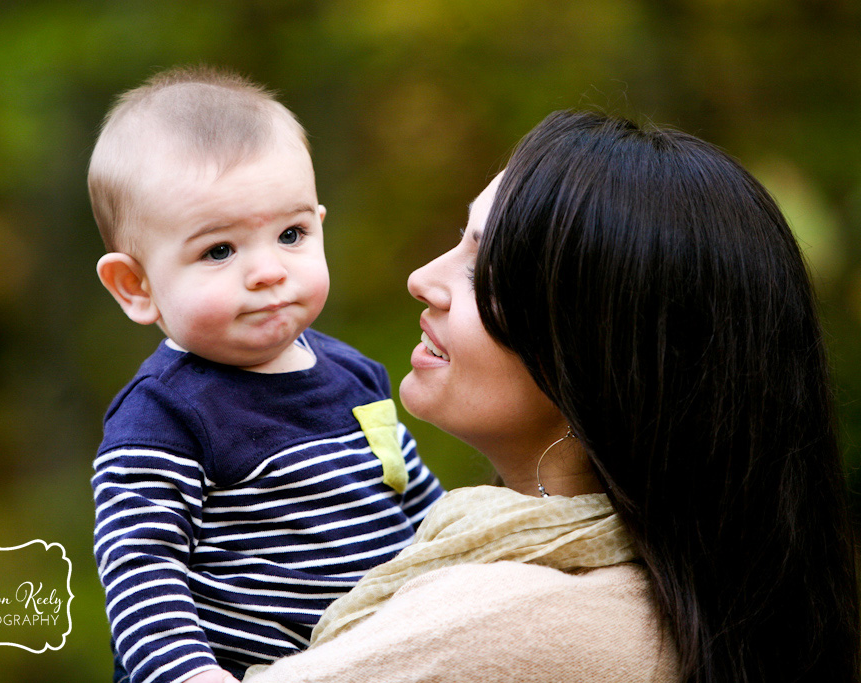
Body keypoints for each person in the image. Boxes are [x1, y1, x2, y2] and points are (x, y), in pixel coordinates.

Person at [244, 110, 860, 682]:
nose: (423, 278)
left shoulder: (506, 623)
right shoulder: (685, 599)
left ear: (590, 356)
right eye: (459, 240)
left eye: (483, 268)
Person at [87, 66, 444, 683]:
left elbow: (419, 507)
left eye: (291, 234)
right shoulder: (163, 416)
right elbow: (141, 572)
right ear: (136, 285)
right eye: (219, 250)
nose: (269, 271)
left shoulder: (357, 376)